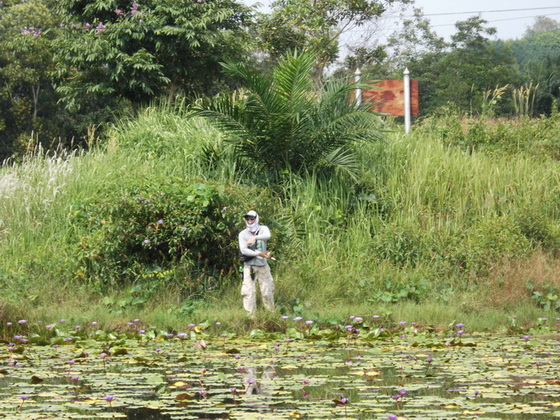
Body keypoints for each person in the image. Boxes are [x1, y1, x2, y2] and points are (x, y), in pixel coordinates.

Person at [238, 210, 274, 315]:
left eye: (252, 219)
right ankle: (250, 317)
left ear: (256, 219)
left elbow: (268, 236)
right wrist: (259, 253)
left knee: (267, 291)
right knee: (248, 292)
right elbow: (244, 250)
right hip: (249, 267)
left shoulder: (263, 229)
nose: (249, 221)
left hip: (263, 266)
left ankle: (271, 314)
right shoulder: (242, 234)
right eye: (247, 219)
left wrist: (255, 237)